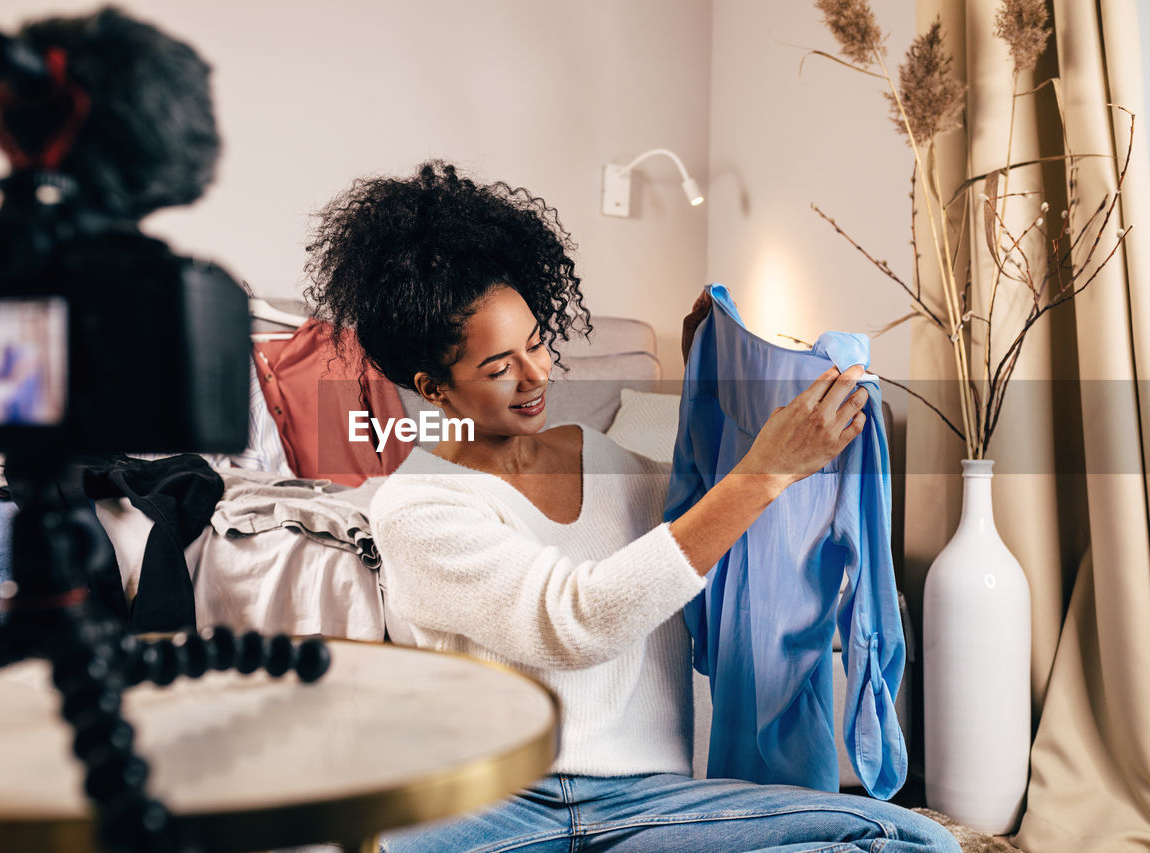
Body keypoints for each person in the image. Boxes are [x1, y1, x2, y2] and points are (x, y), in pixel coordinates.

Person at [304, 161, 958, 852]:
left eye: (537, 343)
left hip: (644, 802)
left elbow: (710, 519)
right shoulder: (415, 506)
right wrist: (763, 472)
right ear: (432, 386)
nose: (535, 376)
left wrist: (711, 372)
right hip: (488, 807)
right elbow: (575, 620)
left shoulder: (614, 462)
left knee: (912, 840)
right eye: (499, 368)